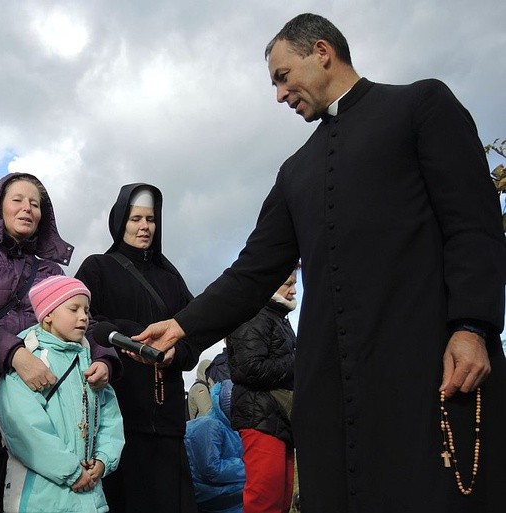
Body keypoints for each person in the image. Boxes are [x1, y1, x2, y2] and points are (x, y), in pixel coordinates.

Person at [136, 13, 506, 513]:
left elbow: (473, 223)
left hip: (425, 366)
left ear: (322, 52)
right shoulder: (295, 172)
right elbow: (251, 273)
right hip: (332, 391)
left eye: (283, 77)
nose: (279, 96)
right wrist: (182, 325)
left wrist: (472, 325)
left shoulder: (421, 105)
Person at [0, 172, 121, 513]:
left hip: (49, 416)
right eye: (18, 200)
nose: (27, 208)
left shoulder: (51, 271)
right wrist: (15, 354)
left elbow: (82, 318)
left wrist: (105, 358)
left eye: (35, 203)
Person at [75, 183, 200, 513]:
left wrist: (176, 352)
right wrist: (128, 336)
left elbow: (192, 334)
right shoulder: (97, 268)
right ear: (120, 222)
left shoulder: (171, 278)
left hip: (168, 421)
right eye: (135, 219)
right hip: (118, 420)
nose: (144, 226)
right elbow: (80, 322)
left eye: (150, 219)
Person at [0, 276, 125, 513]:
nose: (84, 317)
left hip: (91, 497)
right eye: (73, 309)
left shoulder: (90, 362)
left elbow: (110, 419)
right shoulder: (30, 360)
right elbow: (24, 428)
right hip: (40, 499)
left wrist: (104, 459)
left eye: (86, 310)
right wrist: (71, 472)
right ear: (47, 315)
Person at [227, 271, 297, 512]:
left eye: (294, 284)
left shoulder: (275, 317)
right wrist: (300, 361)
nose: (293, 291)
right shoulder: (254, 315)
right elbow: (250, 369)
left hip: (275, 417)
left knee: (281, 498)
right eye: (288, 284)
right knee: (265, 500)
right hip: (261, 416)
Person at [184, 380, 245, 513]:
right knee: (257, 486)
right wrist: (248, 466)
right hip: (207, 491)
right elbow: (211, 469)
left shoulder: (230, 427)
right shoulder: (211, 425)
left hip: (216, 488)